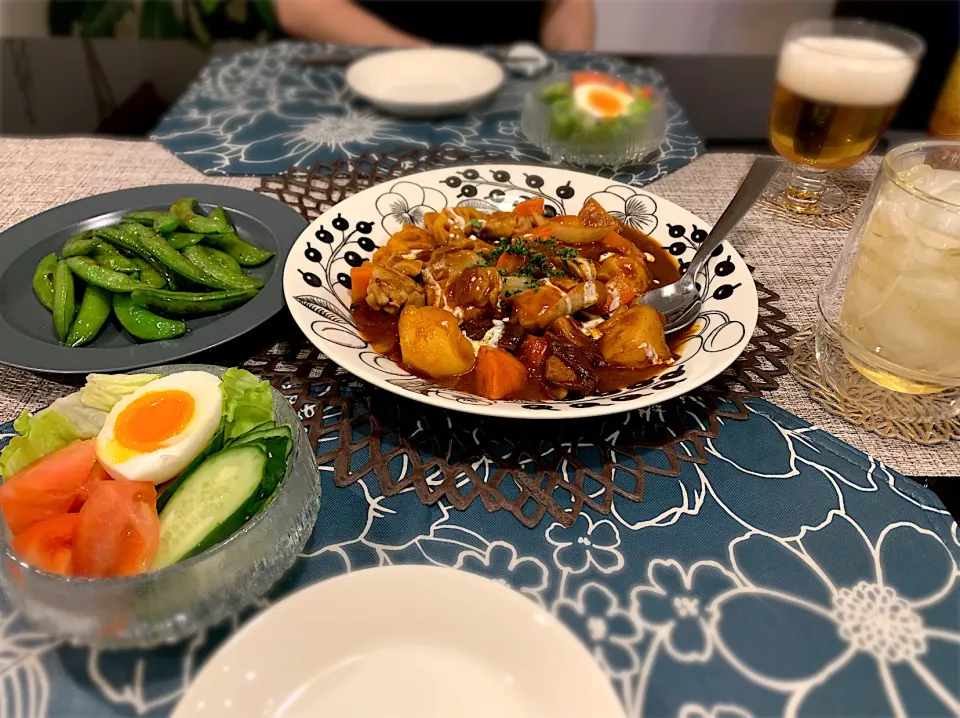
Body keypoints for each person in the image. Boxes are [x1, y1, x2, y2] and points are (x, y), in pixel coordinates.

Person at [274, 0, 595, 51]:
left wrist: (571, 71)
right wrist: (425, 56)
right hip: (361, 84)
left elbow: (565, 4)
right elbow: (298, 7)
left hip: (515, 88)